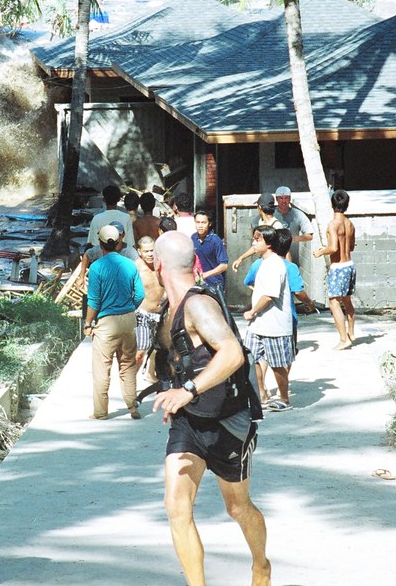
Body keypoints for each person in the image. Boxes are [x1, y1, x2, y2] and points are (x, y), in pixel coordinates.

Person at [152, 231, 271, 586]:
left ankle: (261, 565)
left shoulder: (198, 305)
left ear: (158, 265)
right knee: (176, 506)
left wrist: (187, 390)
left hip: (229, 421)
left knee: (237, 507)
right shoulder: (169, 306)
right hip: (189, 421)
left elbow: (233, 353)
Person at [84, 224, 144, 419]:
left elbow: (94, 300)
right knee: (127, 365)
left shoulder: (96, 267)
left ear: (100, 243)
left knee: (102, 368)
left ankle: (101, 412)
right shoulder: (129, 264)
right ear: (119, 241)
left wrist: (88, 323)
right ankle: (132, 406)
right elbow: (140, 294)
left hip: (106, 323)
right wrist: (129, 308)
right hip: (128, 320)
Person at [242, 226, 294, 411]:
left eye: (258, 240)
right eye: (254, 239)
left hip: (275, 325)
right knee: (252, 359)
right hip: (258, 325)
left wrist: (253, 311)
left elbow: (270, 295)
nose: (253, 243)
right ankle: (260, 394)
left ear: (269, 244)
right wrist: (252, 310)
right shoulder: (263, 263)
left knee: (278, 364)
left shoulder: (275, 264)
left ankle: (284, 399)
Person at [244, 228, 315, 360]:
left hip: (259, 320)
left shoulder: (257, 264)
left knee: (258, 359)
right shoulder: (290, 267)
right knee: (284, 360)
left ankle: (261, 381)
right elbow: (298, 292)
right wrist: (310, 303)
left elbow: (247, 281)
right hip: (285, 320)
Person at [313, 189, 356, 350]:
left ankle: (344, 339)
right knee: (347, 301)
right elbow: (351, 246)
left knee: (334, 303)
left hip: (338, 267)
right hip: (349, 265)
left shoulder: (333, 224)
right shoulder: (350, 224)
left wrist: (320, 251)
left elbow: (332, 248)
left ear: (332, 204)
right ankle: (351, 334)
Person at [134, 236, 165, 379]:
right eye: (146, 251)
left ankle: (151, 374)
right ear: (139, 252)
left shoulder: (161, 264)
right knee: (141, 349)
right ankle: (129, 380)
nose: (150, 254)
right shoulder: (135, 267)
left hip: (161, 312)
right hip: (143, 314)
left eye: (152, 250)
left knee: (157, 347)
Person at [77, 221, 137, 292]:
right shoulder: (99, 249)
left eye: (118, 235)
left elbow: (138, 266)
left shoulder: (130, 252)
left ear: (123, 235)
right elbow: (86, 256)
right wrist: (81, 277)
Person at [232, 193, 284, 272]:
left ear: (260, 207)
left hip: (273, 267)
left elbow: (284, 251)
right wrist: (241, 258)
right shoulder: (261, 222)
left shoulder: (277, 226)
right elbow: (256, 246)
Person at [273, 186, 313, 263]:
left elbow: (309, 235)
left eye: (286, 198)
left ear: (290, 199)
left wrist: (291, 239)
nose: (284, 201)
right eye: (281, 198)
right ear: (276, 199)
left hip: (293, 262)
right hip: (274, 261)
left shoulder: (298, 214)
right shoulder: (271, 214)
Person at [191, 210, 229, 293]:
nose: (200, 226)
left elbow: (224, 265)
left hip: (214, 284)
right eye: (198, 222)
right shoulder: (193, 238)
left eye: (203, 222)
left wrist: (205, 275)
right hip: (198, 283)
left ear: (209, 224)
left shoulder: (215, 241)